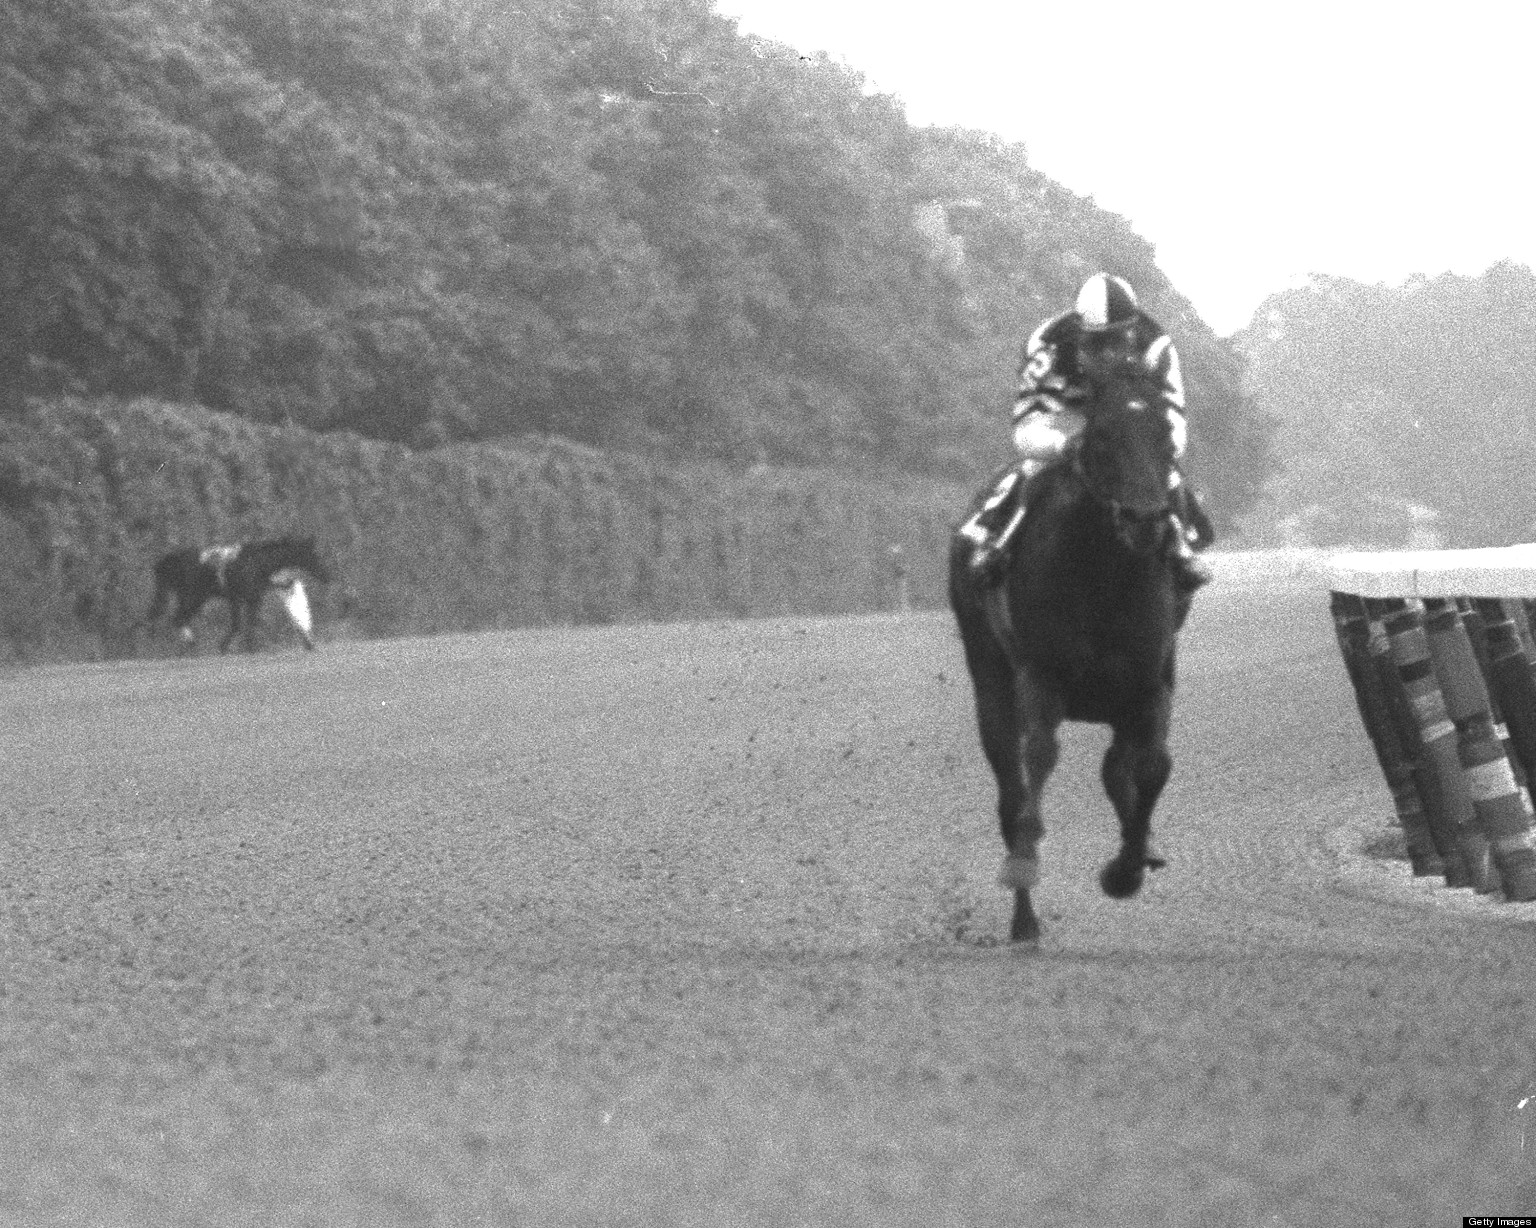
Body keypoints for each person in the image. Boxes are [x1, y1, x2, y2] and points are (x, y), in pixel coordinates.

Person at [958, 272, 1214, 591]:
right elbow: (1024, 428)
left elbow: (1173, 425)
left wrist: (1144, 451)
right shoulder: (1047, 344)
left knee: (1157, 470)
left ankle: (1181, 545)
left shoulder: (1157, 346)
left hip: (1128, 422)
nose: (1108, 353)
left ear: (1132, 331)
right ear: (1080, 335)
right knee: (1033, 468)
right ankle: (992, 536)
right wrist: (1063, 444)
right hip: (1066, 415)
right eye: (1097, 342)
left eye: (1117, 340)